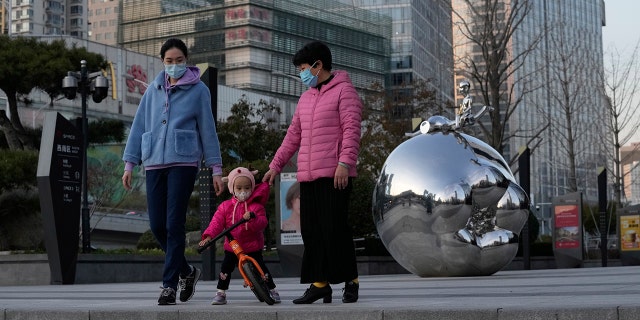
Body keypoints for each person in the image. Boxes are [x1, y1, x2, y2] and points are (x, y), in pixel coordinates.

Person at [121, 38, 224, 306]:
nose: (174, 65)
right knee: (157, 225)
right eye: (169, 61)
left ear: (186, 60)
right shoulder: (152, 89)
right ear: (162, 61)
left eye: (179, 60)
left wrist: (215, 168)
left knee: (173, 223)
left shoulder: (199, 90)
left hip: (183, 161)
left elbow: (208, 129)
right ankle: (187, 272)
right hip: (154, 160)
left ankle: (168, 286)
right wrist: (129, 163)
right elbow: (138, 125)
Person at [262, 41, 362, 304]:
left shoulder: (345, 92)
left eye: (304, 68)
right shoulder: (306, 98)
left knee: (335, 229)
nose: (302, 73)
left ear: (319, 65)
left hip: (335, 174)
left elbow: (352, 131)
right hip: (307, 176)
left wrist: (344, 163)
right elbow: (293, 135)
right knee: (312, 231)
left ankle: (351, 282)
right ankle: (320, 285)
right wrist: (275, 165)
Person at [199, 167, 280, 305]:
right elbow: (216, 223)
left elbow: (263, 222)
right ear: (232, 188)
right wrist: (208, 237)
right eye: (239, 188)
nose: (243, 191)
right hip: (233, 246)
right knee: (226, 268)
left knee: (261, 268)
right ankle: (221, 292)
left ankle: (272, 289)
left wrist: (252, 218)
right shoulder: (225, 207)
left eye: (247, 187)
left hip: (252, 246)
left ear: (252, 187)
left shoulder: (256, 206)